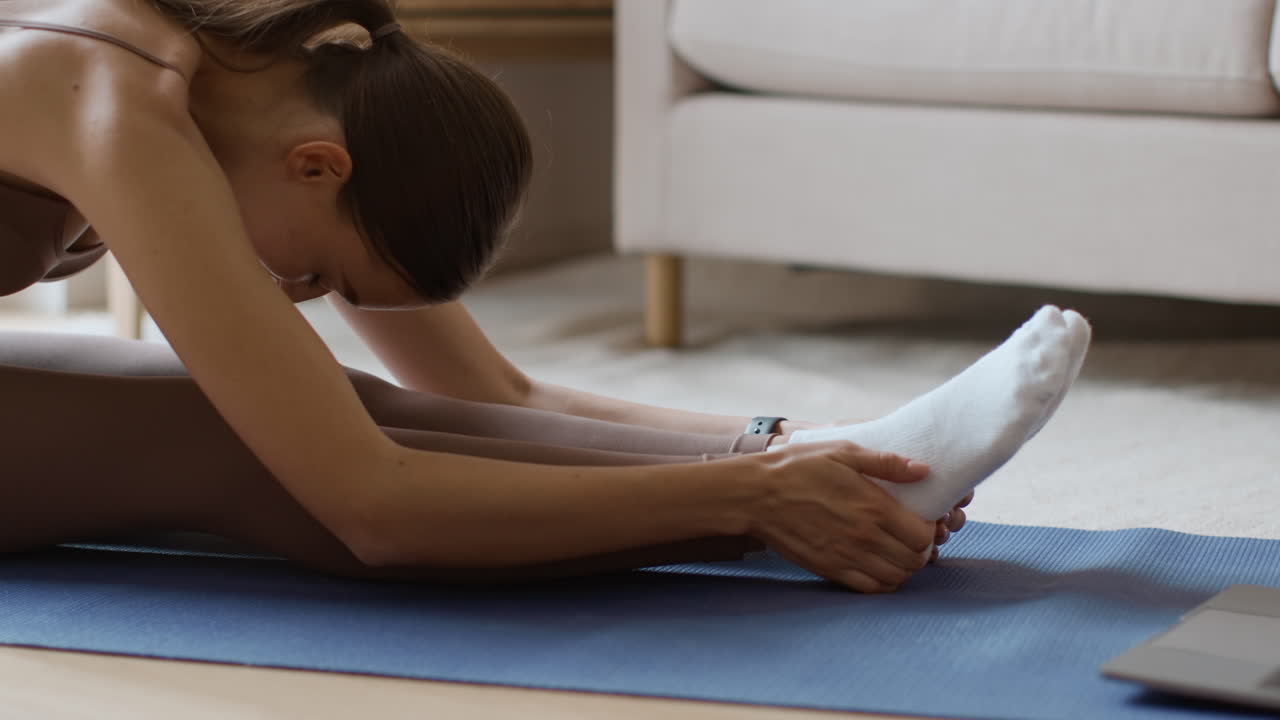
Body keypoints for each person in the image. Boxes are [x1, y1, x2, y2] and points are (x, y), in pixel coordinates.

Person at [0, 0, 1086, 592]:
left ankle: (858, 465)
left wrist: (800, 445)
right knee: (232, 441)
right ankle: (790, 500)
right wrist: (744, 501)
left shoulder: (231, 89)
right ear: (318, 167)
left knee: (353, 409)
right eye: (321, 277)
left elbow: (492, 389)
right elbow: (372, 508)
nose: (294, 296)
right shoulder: (112, 95)